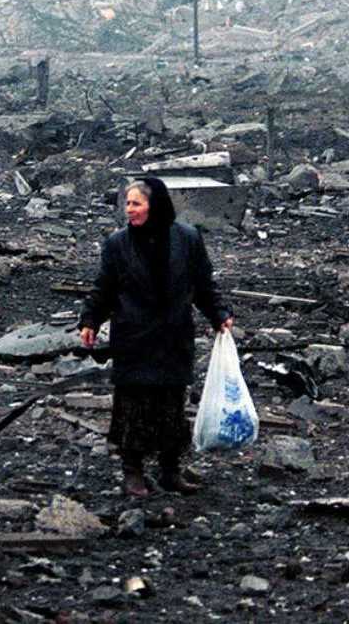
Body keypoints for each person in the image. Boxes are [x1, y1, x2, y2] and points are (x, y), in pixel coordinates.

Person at [78, 176, 234, 497]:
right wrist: (90, 320)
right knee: (132, 407)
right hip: (134, 337)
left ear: (155, 205)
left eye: (136, 203)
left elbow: (203, 284)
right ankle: (132, 472)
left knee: (170, 406)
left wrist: (219, 314)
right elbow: (104, 288)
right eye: (127, 204)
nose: (129, 210)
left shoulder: (187, 239)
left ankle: (169, 471)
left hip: (173, 336)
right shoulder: (118, 244)